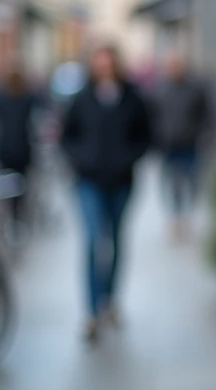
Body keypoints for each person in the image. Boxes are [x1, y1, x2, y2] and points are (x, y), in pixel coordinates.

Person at [60, 45, 152, 342]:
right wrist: (81, 158)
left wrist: (128, 157)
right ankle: (90, 311)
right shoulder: (82, 98)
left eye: (108, 62)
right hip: (88, 182)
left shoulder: (131, 97)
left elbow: (145, 136)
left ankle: (109, 300)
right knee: (90, 241)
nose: (104, 67)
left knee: (113, 240)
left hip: (121, 182)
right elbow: (66, 136)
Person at [150, 53, 210, 239]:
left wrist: (202, 134)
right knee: (170, 183)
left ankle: (186, 215)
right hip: (168, 146)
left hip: (190, 144)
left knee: (191, 181)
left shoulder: (194, 89)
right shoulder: (159, 90)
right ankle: (174, 217)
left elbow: (205, 114)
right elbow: (152, 117)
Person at [0, 64, 41, 227]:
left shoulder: (21, 98)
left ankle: (15, 218)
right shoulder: (20, 98)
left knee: (16, 188)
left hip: (14, 149)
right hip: (14, 149)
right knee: (15, 187)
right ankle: (15, 219)